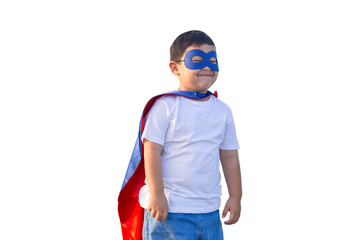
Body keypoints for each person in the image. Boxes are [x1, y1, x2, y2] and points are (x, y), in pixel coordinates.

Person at [138, 30, 242, 239]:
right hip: (170, 211)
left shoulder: (223, 111)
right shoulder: (166, 106)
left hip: (210, 212)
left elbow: (230, 156)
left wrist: (236, 196)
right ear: (175, 68)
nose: (207, 66)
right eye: (196, 60)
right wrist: (157, 194)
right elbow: (151, 151)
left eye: (213, 60)